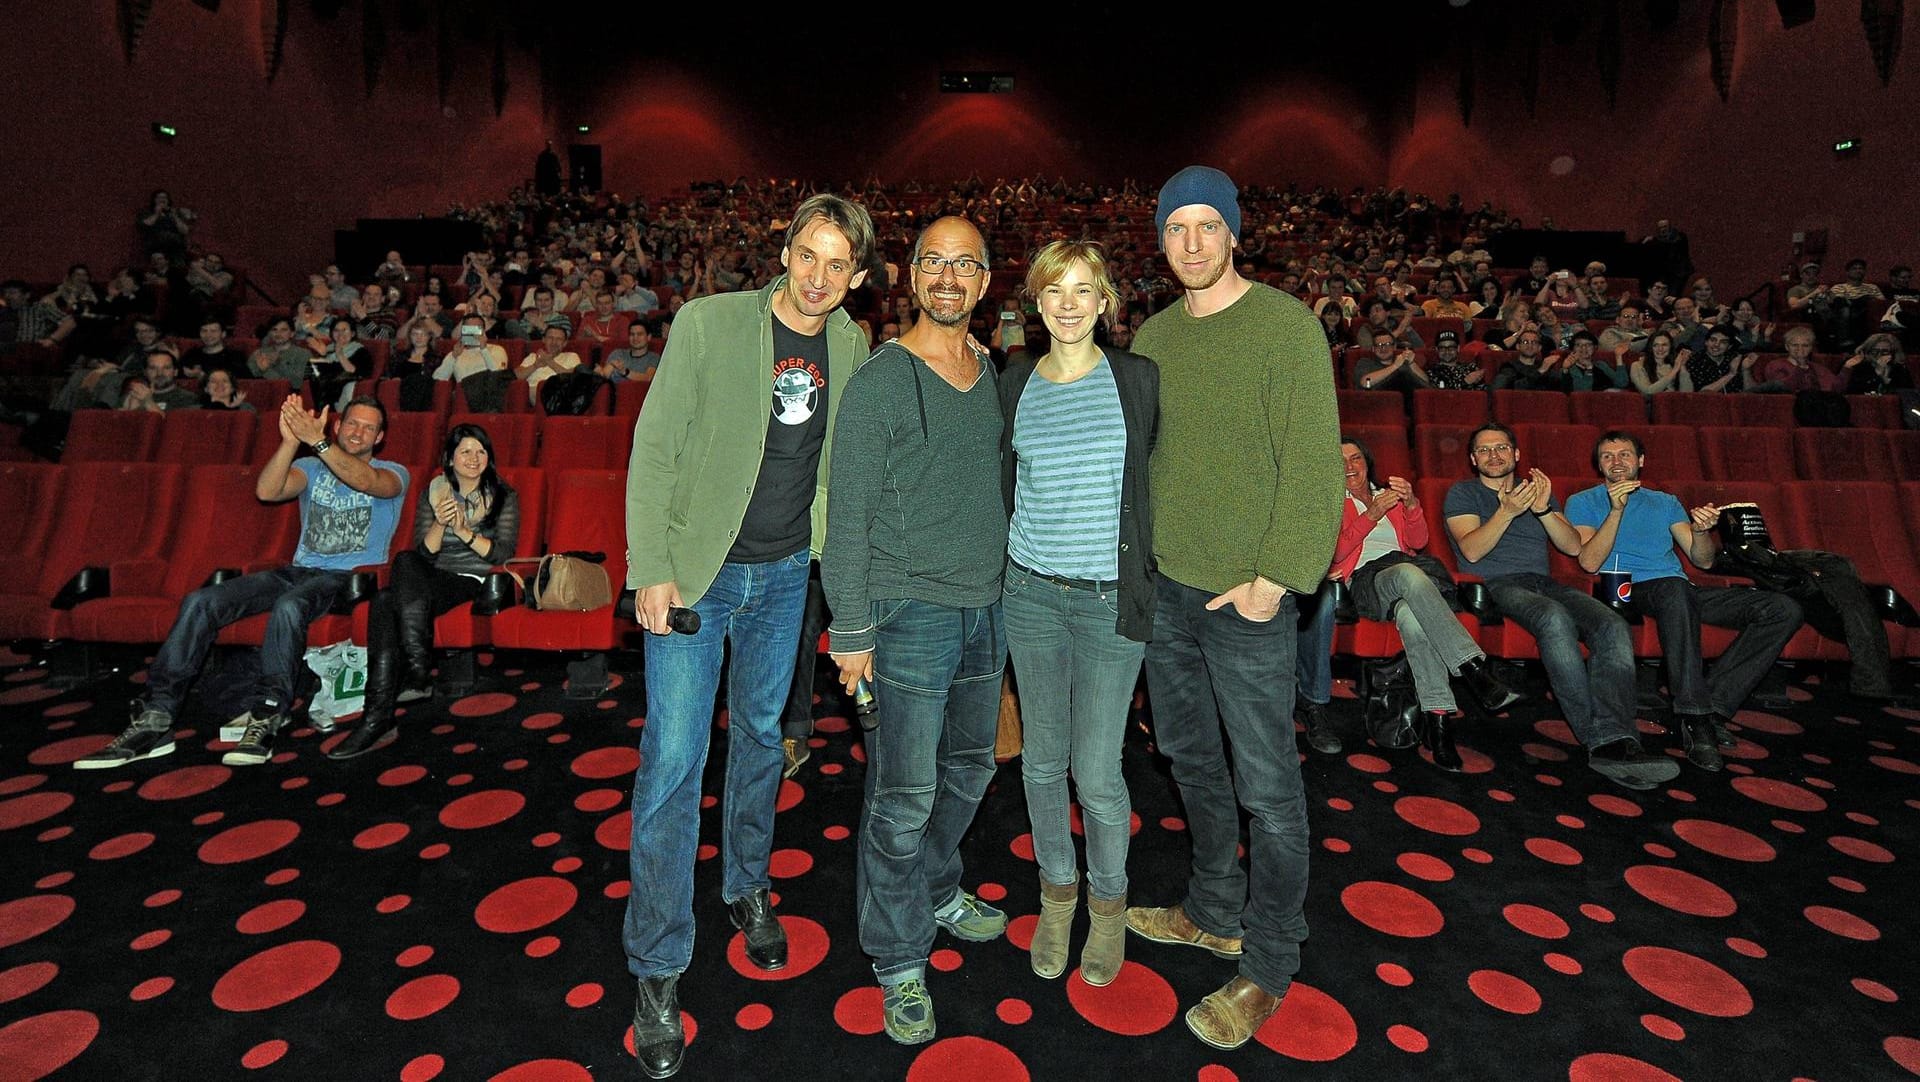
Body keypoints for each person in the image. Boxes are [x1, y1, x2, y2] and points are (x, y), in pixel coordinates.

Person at [625, 195, 873, 1080]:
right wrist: (648, 563)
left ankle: (746, 886)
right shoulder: (709, 323)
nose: (818, 276)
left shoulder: (850, 345)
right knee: (674, 762)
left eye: (837, 264)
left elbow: (842, 479)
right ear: (785, 251)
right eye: (809, 254)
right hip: (699, 575)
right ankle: (657, 964)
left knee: (765, 741)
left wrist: (842, 595)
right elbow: (655, 448)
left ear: (856, 276)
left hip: (783, 580)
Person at [1121, 166, 1343, 1053]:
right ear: (1164, 239)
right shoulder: (1155, 333)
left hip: (1246, 599)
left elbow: (1315, 467)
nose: (1194, 243)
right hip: (1169, 593)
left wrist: (1277, 578)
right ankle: (1213, 908)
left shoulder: (1286, 328)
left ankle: (1271, 961)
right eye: (1179, 228)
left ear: (1236, 233)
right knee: (1189, 761)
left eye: (1210, 226)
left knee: (1269, 790)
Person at [822, 215, 1007, 1047]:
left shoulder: (991, 368)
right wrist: (850, 629)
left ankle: (935, 885)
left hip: (986, 607)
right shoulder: (882, 380)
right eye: (932, 261)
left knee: (969, 768)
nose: (946, 276)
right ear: (910, 274)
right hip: (905, 615)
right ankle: (897, 956)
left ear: (984, 279)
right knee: (902, 798)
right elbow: (847, 515)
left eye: (962, 264)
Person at [75, 396, 408, 770]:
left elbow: (365, 481)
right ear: (337, 426)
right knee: (201, 601)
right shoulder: (311, 467)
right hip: (296, 571)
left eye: (368, 427)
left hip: (347, 580)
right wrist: (288, 442)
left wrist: (318, 442)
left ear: (379, 438)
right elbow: (266, 491)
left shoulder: (394, 471)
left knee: (290, 606)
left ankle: (266, 716)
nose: (358, 431)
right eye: (352, 423)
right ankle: (157, 717)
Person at [998, 240, 1158, 988]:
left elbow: (1162, 490)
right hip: (1028, 594)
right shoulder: (1014, 382)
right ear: (1035, 301)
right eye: (1053, 289)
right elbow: (999, 484)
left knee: (1096, 773)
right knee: (1039, 761)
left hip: (1106, 604)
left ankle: (1108, 904)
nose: (1067, 302)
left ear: (1106, 302)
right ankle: (1055, 896)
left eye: (1083, 289)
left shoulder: (1138, 381)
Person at [1444, 425, 1678, 789]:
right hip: (1496, 585)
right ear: (1473, 459)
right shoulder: (1463, 493)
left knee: (1611, 623)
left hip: (1545, 583)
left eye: (1502, 447)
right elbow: (1472, 551)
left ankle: (1615, 734)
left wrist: (1542, 511)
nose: (1494, 455)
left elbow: (1572, 547)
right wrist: (1506, 512)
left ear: (1516, 455)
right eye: (1485, 450)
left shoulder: (1538, 495)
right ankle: (1599, 738)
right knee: (1553, 618)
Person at [1565, 432, 1803, 771]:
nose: (1617, 462)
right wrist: (1616, 512)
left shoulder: (1665, 502)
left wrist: (1703, 531)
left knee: (1782, 609)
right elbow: (1589, 562)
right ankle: (1693, 716)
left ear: (1641, 461)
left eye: (1625, 454)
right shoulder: (1583, 501)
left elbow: (1702, 560)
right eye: (1607, 456)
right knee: (1674, 590)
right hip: (1627, 590)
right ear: (1598, 464)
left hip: (1678, 590)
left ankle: (1715, 706)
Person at [1332, 437, 1520, 772]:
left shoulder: (1386, 496)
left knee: (1413, 618)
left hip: (1408, 579)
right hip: (1365, 583)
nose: (1350, 466)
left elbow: (1418, 542)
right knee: (1406, 572)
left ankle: (1439, 724)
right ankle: (1474, 669)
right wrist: (1370, 516)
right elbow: (1335, 554)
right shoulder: (1331, 502)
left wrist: (1413, 504)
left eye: (1356, 458)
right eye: (1341, 460)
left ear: (1367, 462)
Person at [331, 424, 519, 759]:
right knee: (394, 583)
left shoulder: (504, 495)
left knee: (389, 596)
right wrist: (440, 523)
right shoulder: (433, 492)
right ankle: (407, 679)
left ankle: (386, 706)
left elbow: (502, 555)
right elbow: (425, 554)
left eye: (480, 451)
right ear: (450, 458)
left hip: (473, 580)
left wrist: (463, 531)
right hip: (429, 578)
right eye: (465, 451)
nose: (474, 459)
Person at [1759, 326, 1842, 394]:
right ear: (1787, 347)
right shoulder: (1775, 365)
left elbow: (1837, 388)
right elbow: (1782, 388)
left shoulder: (1818, 368)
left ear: (1811, 348)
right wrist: (1800, 367)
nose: (1800, 349)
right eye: (1795, 345)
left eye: (1805, 345)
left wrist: (1847, 368)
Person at [1843, 333, 1914, 395]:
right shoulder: (1856, 366)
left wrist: (1885, 379)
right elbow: (1852, 392)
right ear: (1867, 352)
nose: (1879, 355)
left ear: (1893, 353)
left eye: (1885, 351)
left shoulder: (1899, 369)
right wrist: (1877, 374)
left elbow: (1907, 394)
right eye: (1875, 351)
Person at [1629, 331, 1685, 396]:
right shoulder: (1637, 366)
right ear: (1650, 347)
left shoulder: (1674, 364)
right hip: (1652, 404)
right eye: (1655, 345)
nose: (1660, 349)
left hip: (1676, 403)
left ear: (1670, 347)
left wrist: (1682, 366)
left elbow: (1687, 394)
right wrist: (1674, 370)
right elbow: (1648, 391)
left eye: (1664, 345)